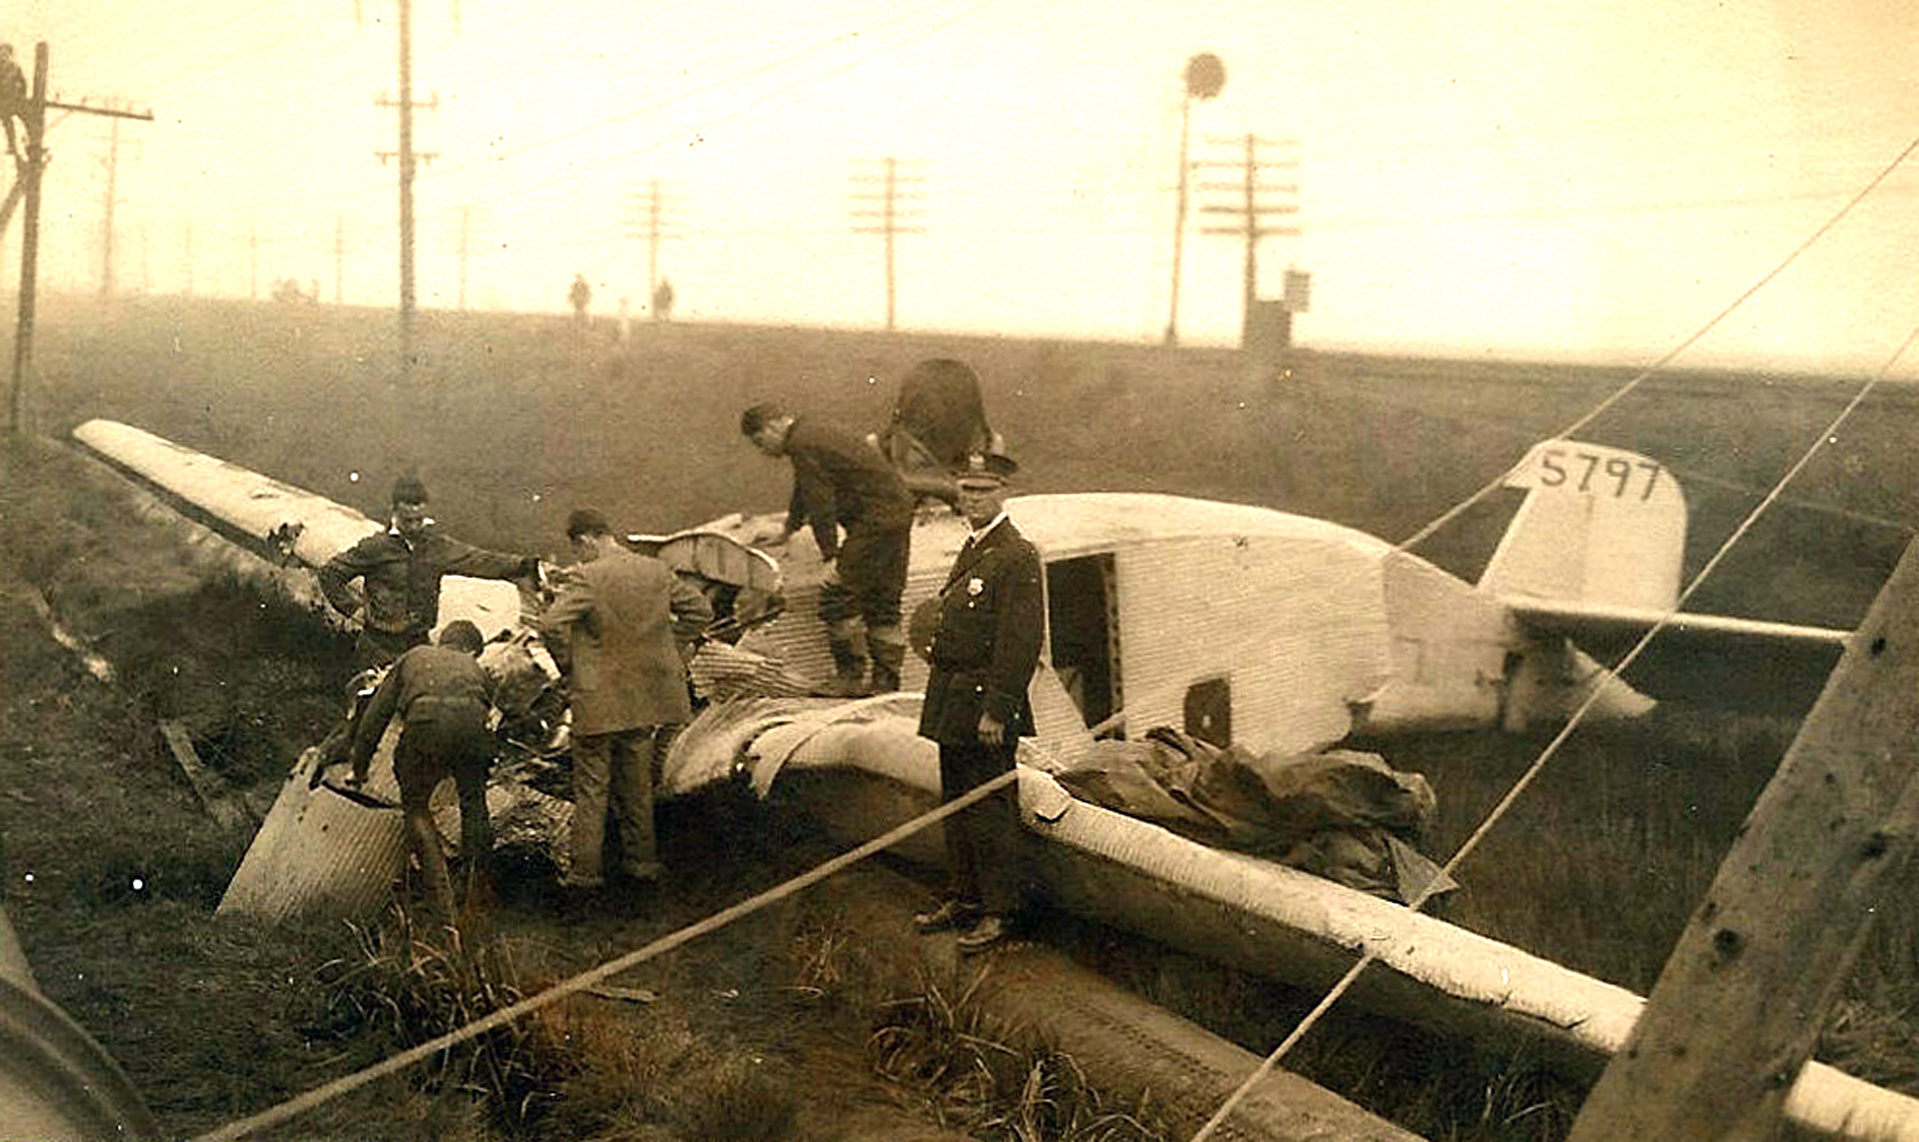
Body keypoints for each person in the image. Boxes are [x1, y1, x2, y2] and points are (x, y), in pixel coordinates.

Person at [911, 452, 1043, 953]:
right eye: (965, 490)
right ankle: (964, 897)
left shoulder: (1016, 554)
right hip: (953, 698)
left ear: (1002, 492)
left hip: (984, 701)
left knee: (990, 808)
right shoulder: (975, 548)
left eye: (983, 491)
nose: (972, 499)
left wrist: (999, 708)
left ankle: (1000, 911)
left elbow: (1020, 639)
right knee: (958, 802)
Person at [541, 508, 712, 893]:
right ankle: (642, 864)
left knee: (591, 790)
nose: (578, 558)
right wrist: (672, 643)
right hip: (646, 699)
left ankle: (584, 875)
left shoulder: (588, 576)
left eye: (577, 549)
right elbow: (701, 611)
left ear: (585, 540)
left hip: (598, 699)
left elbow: (551, 624)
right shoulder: (656, 570)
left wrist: (570, 666)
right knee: (636, 785)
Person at [740, 401, 914, 695]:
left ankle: (850, 678)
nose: (763, 451)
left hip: (874, 522)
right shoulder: (811, 432)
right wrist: (788, 529)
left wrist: (831, 557)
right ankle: (887, 683)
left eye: (760, 442)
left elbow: (820, 502)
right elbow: (805, 487)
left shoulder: (801, 443)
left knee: (837, 595)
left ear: (772, 427)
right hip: (896, 513)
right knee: (883, 600)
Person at [345, 620, 496, 918]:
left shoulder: (413, 657)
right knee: (474, 803)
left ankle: (439, 894)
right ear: (469, 649)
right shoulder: (476, 668)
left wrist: (359, 768)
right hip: (473, 731)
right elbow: (488, 713)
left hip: (425, 727)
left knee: (415, 806)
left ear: (444, 640)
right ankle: (475, 888)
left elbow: (375, 717)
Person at [318, 475, 540, 671]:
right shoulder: (375, 547)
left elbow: (478, 560)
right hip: (378, 646)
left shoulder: (436, 546)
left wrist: (526, 565)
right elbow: (330, 574)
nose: (415, 527)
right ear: (394, 512)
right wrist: (354, 610)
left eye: (419, 520)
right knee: (370, 707)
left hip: (418, 645)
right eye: (408, 521)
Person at [0, 44, 27, 165]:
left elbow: (23, 82)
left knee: (25, 119)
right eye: (1, 54)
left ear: (10, 55)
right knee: (7, 123)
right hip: (3, 102)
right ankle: (12, 145)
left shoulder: (15, 67)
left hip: (16, 100)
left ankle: (30, 140)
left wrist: (22, 95)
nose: (3, 57)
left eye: (5, 54)